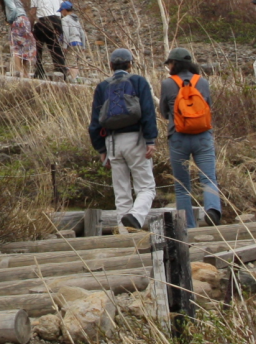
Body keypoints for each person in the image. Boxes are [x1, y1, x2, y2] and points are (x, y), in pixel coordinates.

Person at [90, 48, 157, 228]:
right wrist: (150, 140)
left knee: (121, 193)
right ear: (130, 64)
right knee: (146, 188)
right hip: (136, 140)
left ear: (111, 65)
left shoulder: (102, 86)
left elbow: (95, 122)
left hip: (112, 143)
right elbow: (148, 112)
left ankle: (125, 234)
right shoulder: (138, 81)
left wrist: (101, 149)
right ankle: (135, 217)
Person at [162, 47, 222, 228]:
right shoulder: (202, 82)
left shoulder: (168, 83)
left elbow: (164, 111)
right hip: (202, 136)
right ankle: (212, 210)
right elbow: (208, 107)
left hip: (178, 137)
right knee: (208, 178)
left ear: (173, 64)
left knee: (181, 186)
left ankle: (188, 226)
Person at [28, 0, 67, 78]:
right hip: (57, 20)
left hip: (44, 19)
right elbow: (62, 8)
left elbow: (33, 10)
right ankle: (61, 70)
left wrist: (30, 26)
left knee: (38, 45)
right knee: (55, 46)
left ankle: (39, 71)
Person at [0, 0, 36, 77]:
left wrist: (10, 20)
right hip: (25, 20)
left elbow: (13, 9)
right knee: (25, 45)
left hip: (18, 21)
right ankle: (25, 71)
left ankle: (19, 71)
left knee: (16, 47)